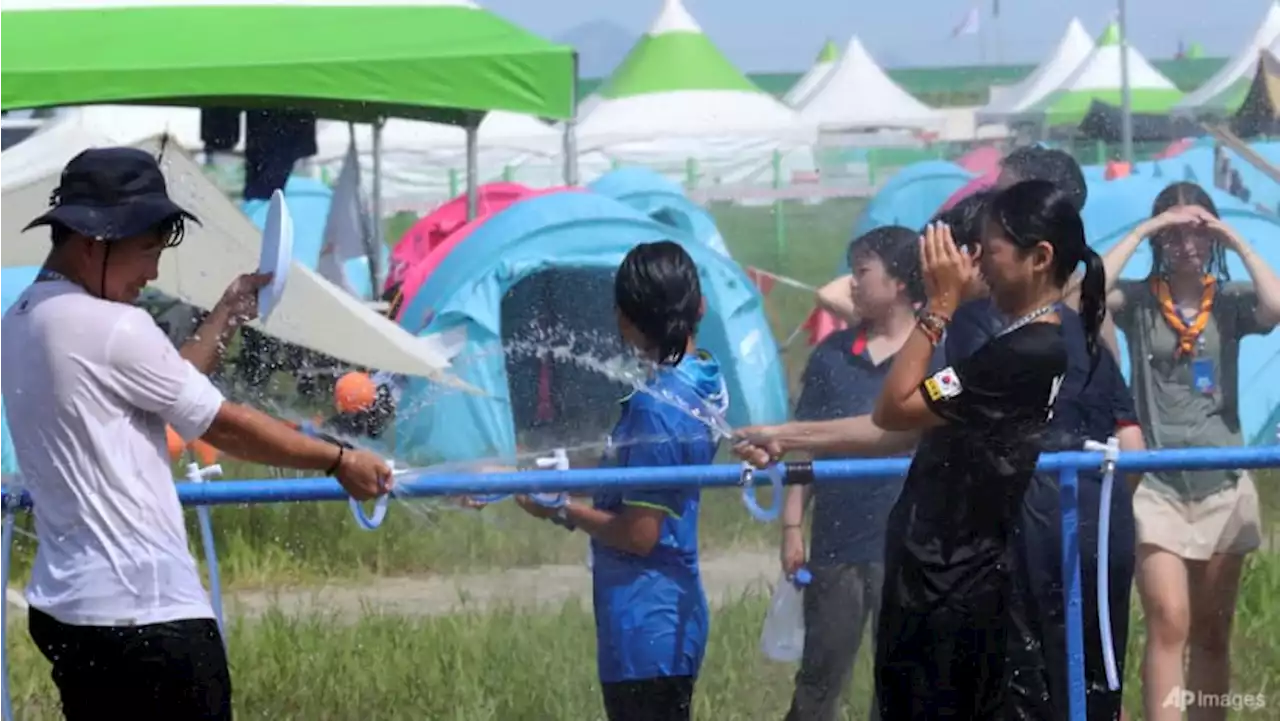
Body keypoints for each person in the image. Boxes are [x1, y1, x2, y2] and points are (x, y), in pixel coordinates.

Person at [0, 147, 393, 721]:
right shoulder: (113, 327)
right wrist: (339, 460)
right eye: (147, 254)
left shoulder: (21, 321)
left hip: (70, 613)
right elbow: (223, 425)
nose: (153, 275)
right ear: (94, 243)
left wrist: (227, 312)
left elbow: (162, 384)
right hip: (149, 619)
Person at [739, 179, 1104, 718]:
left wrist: (938, 306)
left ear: (1038, 258)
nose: (975, 261)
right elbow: (902, 429)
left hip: (953, 583)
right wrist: (788, 436)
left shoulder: (1025, 350)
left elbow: (895, 409)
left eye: (990, 250)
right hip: (939, 573)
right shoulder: (1015, 341)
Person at [514, 241, 723, 721]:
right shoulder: (703, 377)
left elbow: (638, 534)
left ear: (625, 320)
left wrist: (560, 509)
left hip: (645, 622)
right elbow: (631, 469)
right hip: (669, 613)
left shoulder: (661, 405)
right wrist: (539, 471)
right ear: (701, 307)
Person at [1098, 181, 1280, 721]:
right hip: (1156, 483)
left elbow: (1276, 307)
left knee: (1212, 631)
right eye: (1173, 235)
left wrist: (1233, 237)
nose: (1186, 245)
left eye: (1195, 234)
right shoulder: (1134, 299)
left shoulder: (1229, 300)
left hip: (1224, 480)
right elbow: (1081, 296)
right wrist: (1144, 229)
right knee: (1169, 619)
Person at [779, 226, 936, 721]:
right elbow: (803, 441)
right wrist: (790, 526)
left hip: (911, 546)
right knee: (819, 679)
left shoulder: (942, 357)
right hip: (837, 544)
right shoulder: (830, 357)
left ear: (901, 284)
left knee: (902, 677)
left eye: (862, 272)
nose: (851, 284)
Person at [816, 146, 1088, 326]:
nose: (990, 205)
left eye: (1004, 196)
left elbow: (919, 399)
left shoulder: (1068, 311)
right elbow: (833, 293)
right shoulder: (961, 240)